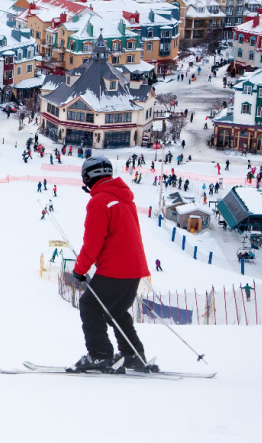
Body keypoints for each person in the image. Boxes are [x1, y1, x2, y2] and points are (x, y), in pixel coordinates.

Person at [70, 157, 154, 373]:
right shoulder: (125, 199)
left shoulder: (99, 201)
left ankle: (100, 356)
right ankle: (133, 355)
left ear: (88, 177)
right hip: (134, 268)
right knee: (116, 310)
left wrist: (79, 270)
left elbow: (93, 242)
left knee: (89, 306)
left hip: (116, 268)